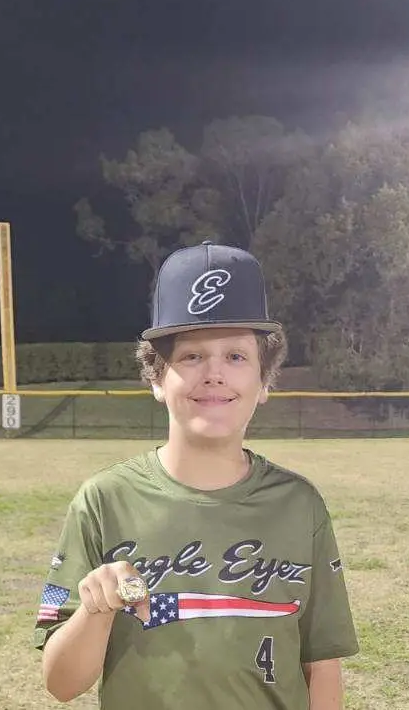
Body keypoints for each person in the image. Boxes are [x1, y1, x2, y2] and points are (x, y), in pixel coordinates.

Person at [32, 241, 359, 709]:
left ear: (264, 382)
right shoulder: (101, 500)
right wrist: (95, 609)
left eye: (236, 357)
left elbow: (321, 664)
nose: (214, 374)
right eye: (191, 356)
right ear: (156, 378)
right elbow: (60, 683)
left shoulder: (300, 504)